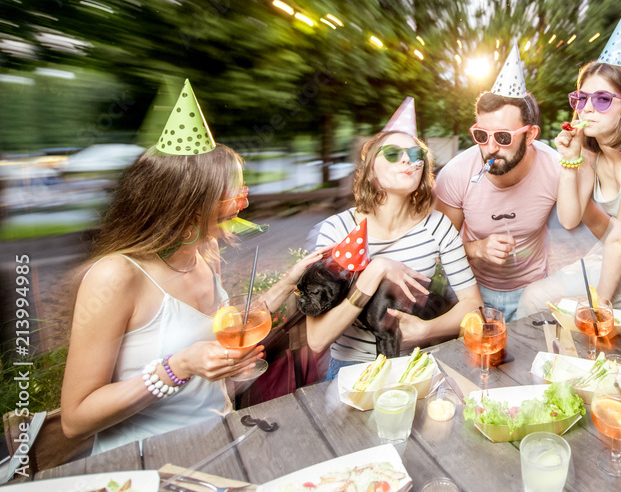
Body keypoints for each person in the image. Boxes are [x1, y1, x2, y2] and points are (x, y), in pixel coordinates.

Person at [61, 81, 319, 453]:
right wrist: (177, 368)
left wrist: (288, 283)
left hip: (219, 441)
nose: (242, 206)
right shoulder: (115, 276)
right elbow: (75, 419)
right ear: (185, 202)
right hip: (143, 463)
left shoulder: (205, 250)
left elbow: (220, 333)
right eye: (234, 195)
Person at [517, 9, 621, 317]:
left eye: (602, 99)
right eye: (581, 99)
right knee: (534, 297)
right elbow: (569, 219)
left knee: (569, 313)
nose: (587, 110)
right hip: (613, 255)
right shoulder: (591, 153)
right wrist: (571, 161)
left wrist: (601, 303)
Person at [306, 125, 483, 378]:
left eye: (415, 154)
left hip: (416, 364)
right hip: (354, 368)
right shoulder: (338, 230)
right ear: (371, 172)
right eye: (391, 153)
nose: (406, 159)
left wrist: (426, 330)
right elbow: (317, 339)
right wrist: (375, 271)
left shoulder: (437, 226)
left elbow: (473, 306)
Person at [434, 49, 585, 319]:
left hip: (532, 292)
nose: (490, 148)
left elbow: (575, 221)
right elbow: (437, 251)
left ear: (530, 136)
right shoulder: (456, 174)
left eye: (503, 137)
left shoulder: (553, 166)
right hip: (469, 291)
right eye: (481, 135)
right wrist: (477, 248)